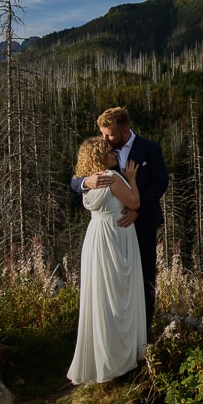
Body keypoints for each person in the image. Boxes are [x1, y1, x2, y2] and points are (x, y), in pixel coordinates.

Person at [70, 107, 169, 332]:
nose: (104, 139)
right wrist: (87, 182)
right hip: (111, 232)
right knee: (113, 283)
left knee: (143, 280)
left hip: (142, 225)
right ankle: (115, 333)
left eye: (109, 135)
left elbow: (160, 182)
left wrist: (138, 210)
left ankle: (142, 334)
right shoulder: (103, 150)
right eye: (102, 134)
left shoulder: (150, 148)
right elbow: (75, 180)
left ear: (125, 131)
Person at [67, 136, 146, 384]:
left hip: (96, 237)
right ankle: (119, 358)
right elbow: (134, 202)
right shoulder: (112, 178)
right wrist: (132, 179)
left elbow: (75, 183)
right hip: (117, 235)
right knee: (120, 295)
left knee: (100, 296)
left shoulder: (89, 182)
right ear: (101, 156)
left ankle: (101, 358)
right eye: (110, 152)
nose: (114, 154)